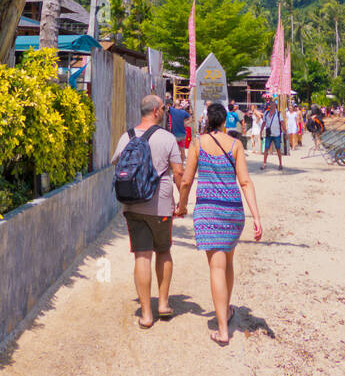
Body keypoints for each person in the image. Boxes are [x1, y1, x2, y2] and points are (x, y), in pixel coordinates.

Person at [176, 101, 262, 346]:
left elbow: (186, 180)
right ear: (224, 121)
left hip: (208, 213)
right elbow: (245, 182)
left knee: (216, 268)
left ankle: (223, 329)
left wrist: (181, 206)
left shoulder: (198, 143)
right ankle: (226, 311)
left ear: (206, 121)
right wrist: (256, 216)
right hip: (233, 213)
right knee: (228, 263)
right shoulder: (235, 145)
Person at [111, 94, 184, 327]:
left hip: (132, 202)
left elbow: (116, 161)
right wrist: (182, 201)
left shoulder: (127, 136)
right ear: (155, 111)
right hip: (160, 203)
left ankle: (146, 314)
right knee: (163, 251)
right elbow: (179, 172)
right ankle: (162, 304)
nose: (165, 110)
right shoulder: (167, 138)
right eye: (164, 107)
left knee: (141, 255)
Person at [261, 99, 283, 170]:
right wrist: (261, 131)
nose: (272, 106)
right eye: (271, 105)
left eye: (273, 105)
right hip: (269, 134)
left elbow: (282, 123)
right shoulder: (266, 113)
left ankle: (280, 164)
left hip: (276, 134)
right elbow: (264, 123)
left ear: (275, 106)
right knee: (266, 148)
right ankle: (264, 164)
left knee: (278, 149)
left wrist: (285, 132)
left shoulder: (278, 114)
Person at [169, 98, 189, 163]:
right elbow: (191, 118)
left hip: (174, 134)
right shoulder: (184, 112)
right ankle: (182, 163)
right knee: (182, 150)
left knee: (175, 151)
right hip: (182, 134)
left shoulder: (172, 110)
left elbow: (166, 107)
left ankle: (176, 164)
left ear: (174, 105)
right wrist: (186, 123)